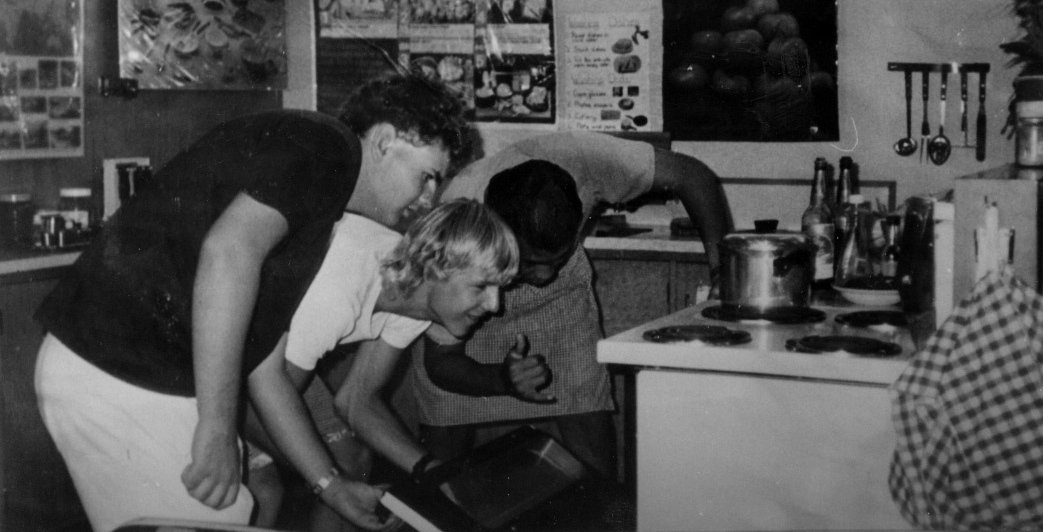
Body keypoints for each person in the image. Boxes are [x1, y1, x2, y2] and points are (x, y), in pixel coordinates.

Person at [33, 74, 475, 532]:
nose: (427, 200)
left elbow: (264, 364)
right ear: (386, 140)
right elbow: (228, 254)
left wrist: (330, 484)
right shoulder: (324, 150)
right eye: (427, 177)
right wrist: (219, 426)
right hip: (117, 372)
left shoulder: (322, 196)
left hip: (128, 372)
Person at [410, 131, 731, 478]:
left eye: (558, 258)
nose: (545, 275)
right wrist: (500, 379)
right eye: (530, 263)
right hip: (471, 286)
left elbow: (693, 176)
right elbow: (441, 362)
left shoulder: (584, 159)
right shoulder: (461, 225)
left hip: (560, 303)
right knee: (445, 450)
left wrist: (723, 270)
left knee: (591, 442)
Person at [246, 198, 519, 530]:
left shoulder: (419, 299)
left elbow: (357, 401)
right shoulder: (339, 289)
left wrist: (434, 472)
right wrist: (329, 483)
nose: (494, 305)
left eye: (499, 288)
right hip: (214, 358)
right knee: (269, 491)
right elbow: (256, 404)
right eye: (481, 286)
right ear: (435, 267)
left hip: (264, 362)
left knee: (353, 461)